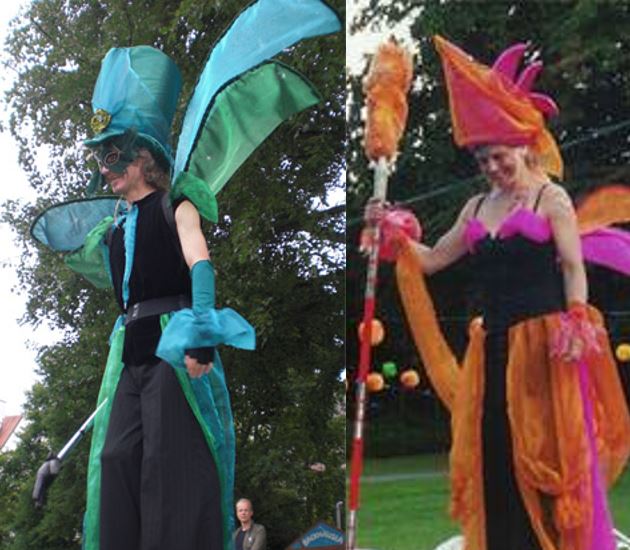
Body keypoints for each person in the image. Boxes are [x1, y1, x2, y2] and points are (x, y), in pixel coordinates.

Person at [368, 36, 630, 550]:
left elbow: (573, 266)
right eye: (483, 159)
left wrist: (577, 318)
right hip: (493, 350)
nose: (491, 166)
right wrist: (392, 227)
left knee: (549, 453)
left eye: (498, 155)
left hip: (546, 348)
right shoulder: (474, 208)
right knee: (496, 449)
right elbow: (432, 258)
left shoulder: (550, 198)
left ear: (523, 145)